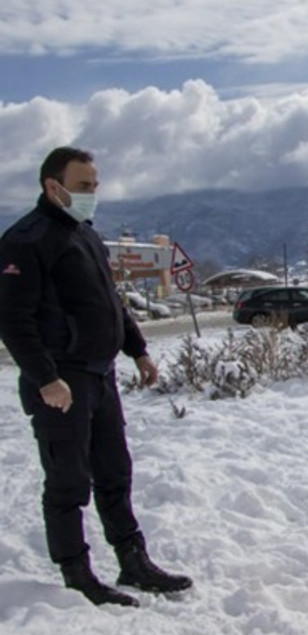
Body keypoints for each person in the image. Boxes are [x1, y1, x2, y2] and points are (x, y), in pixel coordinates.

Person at [0, 147, 194, 608]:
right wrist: (46, 377)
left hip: (99, 377)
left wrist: (139, 350)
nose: (92, 194)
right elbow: (12, 318)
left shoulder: (84, 234)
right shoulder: (25, 241)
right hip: (60, 383)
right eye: (83, 186)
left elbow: (111, 302)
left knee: (114, 472)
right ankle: (77, 572)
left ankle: (133, 559)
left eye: (95, 185)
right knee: (69, 480)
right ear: (53, 186)